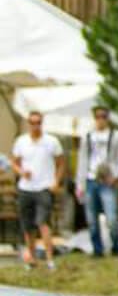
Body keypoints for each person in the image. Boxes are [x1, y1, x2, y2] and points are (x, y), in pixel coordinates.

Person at [10, 110, 64, 270]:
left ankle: (49, 259)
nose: (35, 126)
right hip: (26, 188)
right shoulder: (21, 142)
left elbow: (61, 163)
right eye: (32, 122)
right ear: (28, 124)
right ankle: (31, 258)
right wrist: (21, 172)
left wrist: (56, 181)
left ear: (42, 123)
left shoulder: (51, 141)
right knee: (28, 225)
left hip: (44, 187)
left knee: (43, 222)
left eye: (38, 122)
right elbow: (14, 162)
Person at [75, 104, 118, 258]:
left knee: (111, 218)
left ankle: (115, 246)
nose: (100, 120)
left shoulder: (116, 136)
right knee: (91, 218)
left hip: (107, 181)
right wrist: (80, 183)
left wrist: (115, 176)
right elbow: (82, 160)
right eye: (98, 116)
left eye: (103, 116)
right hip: (91, 179)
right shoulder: (88, 136)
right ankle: (97, 249)